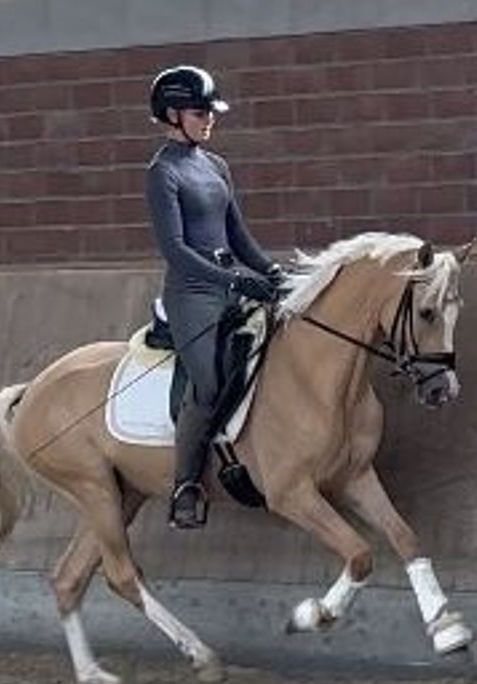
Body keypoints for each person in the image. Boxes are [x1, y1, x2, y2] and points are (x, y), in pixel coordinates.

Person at [145, 65, 285, 530]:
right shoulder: (162, 172)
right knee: (207, 386)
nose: (209, 119)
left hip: (229, 283)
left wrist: (271, 271)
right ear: (172, 114)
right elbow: (176, 251)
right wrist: (234, 283)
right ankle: (186, 486)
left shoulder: (216, 165)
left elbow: (238, 235)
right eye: (200, 111)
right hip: (193, 294)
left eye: (210, 111)